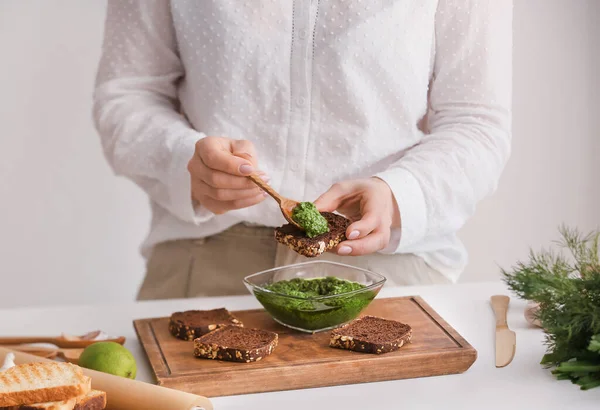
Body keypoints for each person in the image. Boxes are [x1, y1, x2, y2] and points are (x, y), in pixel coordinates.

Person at [92, 0, 512, 300]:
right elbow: (126, 95)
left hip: (388, 267)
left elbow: (476, 120)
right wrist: (185, 160)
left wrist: (399, 193)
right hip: (207, 260)